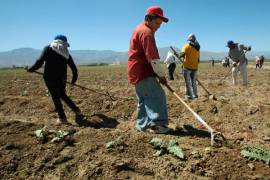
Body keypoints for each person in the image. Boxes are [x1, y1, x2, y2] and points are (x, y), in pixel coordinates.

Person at [127, 6, 171, 134]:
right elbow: (153, 58)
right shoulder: (146, 33)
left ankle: (142, 125)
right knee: (158, 96)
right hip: (143, 71)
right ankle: (159, 125)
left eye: (160, 24)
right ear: (148, 19)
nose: (158, 26)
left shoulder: (139, 29)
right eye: (157, 23)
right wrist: (161, 75)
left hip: (136, 71)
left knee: (144, 99)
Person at [27, 35, 82, 124]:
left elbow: (40, 62)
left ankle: (62, 118)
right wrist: (73, 80)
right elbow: (74, 69)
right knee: (62, 94)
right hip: (62, 79)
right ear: (64, 43)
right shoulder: (66, 53)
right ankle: (76, 110)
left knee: (55, 97)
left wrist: (31, 69)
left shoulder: (48, 48)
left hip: (50, 77)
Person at [178, 34, 200, 100]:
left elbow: (181, 55)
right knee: (193, 82)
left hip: (187, 67)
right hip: (195, 67)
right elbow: (198, 59)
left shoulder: (186, 46)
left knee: (187, 82)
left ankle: (189, 96)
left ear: (189, 40)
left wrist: (179, 55)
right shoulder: (197, 48)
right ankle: (195, 95)